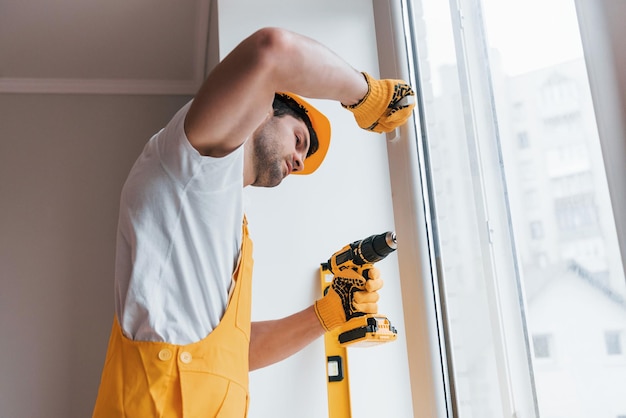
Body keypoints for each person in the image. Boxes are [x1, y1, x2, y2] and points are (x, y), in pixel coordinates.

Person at [92, 27, 415, 417]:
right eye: (298, 139)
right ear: (264, 108)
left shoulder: (223, 217)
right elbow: (273, 51)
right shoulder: (192, 160)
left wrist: (330, 313)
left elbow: (231, 353)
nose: (298, 161)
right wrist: (366, 96)